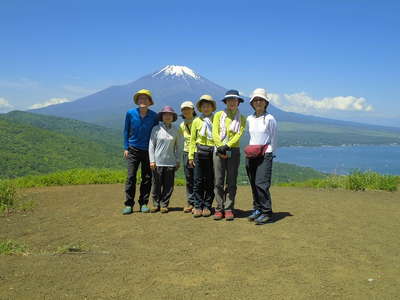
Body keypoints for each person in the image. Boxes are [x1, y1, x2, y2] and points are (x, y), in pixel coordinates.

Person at [122, 89, 159, 215]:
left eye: (145, 99)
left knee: (147, 178)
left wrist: (155, 151)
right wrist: (126, 147)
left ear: (149, 102)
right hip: (133, 149)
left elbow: (156, 134)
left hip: (148, 151)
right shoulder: (130, 113)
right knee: (131, 177)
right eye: (140, 99)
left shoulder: (154, 116)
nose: (142, 101)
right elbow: (126, 130)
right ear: (137, 101)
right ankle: (128, 204)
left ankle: (143, 203)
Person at [212, 90, 246, 221]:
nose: (232, 102)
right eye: (229, 100)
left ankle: (229, 208)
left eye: (235, 100)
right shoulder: (218, 115)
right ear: (225, 102)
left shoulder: (242, 118)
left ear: (238, 102)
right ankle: (219, 208)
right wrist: (220, 146)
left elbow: (239, 134)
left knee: (231, 181)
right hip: (218, 150)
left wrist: (227, 146)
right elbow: (215, 131)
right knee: (218, 180)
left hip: (233, 150)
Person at [245, 88, 277, 225]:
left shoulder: (270, 119)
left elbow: (274, 138)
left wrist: (270, 152)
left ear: (265, 102)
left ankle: (266, 212)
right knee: (253, 183)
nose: (258, 102)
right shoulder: (249, 118)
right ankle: (257, 209)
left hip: (265, 154)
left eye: (261, 100)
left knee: (261, 184)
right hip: (252, 154)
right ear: (252, 103)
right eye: (255, 100)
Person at [148, 106, 181, 213]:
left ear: (173, 117)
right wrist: (152, 160)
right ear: (162, 116)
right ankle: (155, 204)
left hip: (170, 163)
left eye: (170, 115)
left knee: (168, 185)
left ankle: (164, 204)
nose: (167, 116)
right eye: (165, 114)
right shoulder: (156, 129)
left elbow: (178, 147)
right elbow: (151, 145)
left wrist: (177, 160)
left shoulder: (176, 130)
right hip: (157, 162)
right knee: (156, 184)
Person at [188, 95, 216, 218]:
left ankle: (207, 206)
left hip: (212, 153)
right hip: (198, 153)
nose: (206, 108)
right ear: (200, 108)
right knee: (198, 180)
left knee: (210, 180)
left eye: (208, 106)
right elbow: (192, 140)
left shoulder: (216, 119)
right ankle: (198, 205)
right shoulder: (196, 121)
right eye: (203, 106)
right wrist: (190, 156)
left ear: (212, 107)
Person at [178, 101, 197, 213]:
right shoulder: (182, 125)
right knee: (189, 179)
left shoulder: (198, 122)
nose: (186, 111)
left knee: (197, 179)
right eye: (184, 109)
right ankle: (190, 202)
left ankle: (198, 203)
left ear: (193, 110)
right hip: (186, 153)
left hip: (196, 153)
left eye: (188, 109)